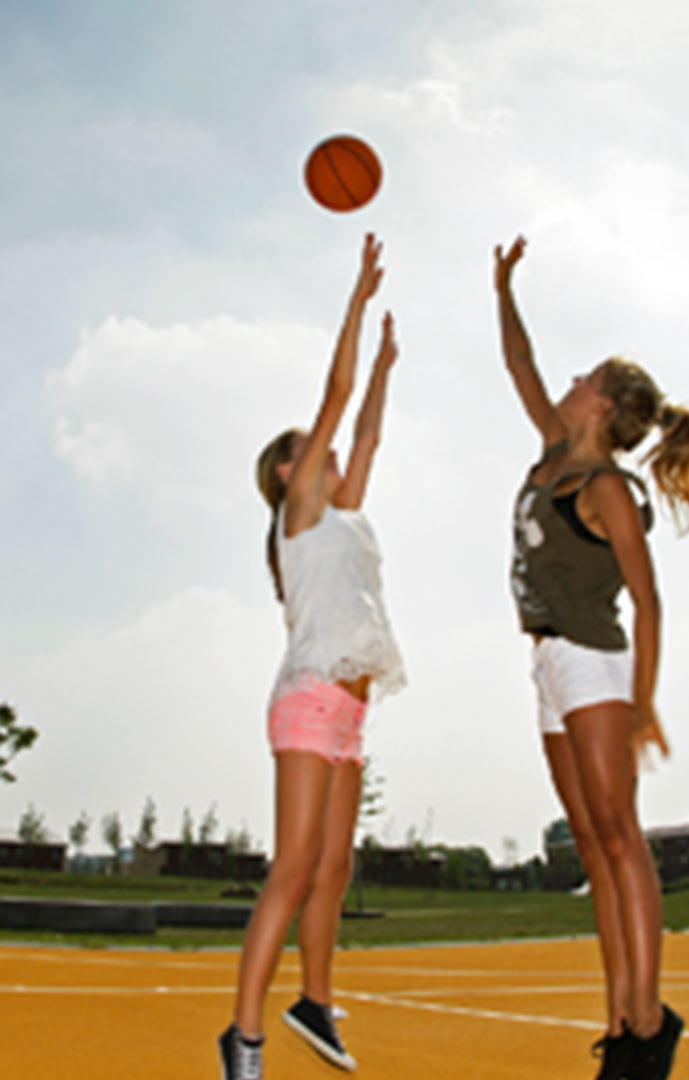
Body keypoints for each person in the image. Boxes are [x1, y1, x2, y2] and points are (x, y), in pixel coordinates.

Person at [493, 235, 689, 1080]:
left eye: (582, 377)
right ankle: (622, 1023)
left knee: (622, 837)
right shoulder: (554, 457)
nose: (567, 382)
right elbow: (520, 363)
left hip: (595, 666)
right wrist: (503, 286)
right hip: (550, 670)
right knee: (591, 847)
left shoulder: (604, 493)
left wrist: (645, 699)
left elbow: (650, 598)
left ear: (600, 406)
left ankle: (646, 1021)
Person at [221, 233, 406, 1080]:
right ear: (290, 470)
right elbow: (333, 399)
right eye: (315, 446)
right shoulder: (297, 510)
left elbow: (362, 429)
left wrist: (386, 371)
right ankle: (244, 1035)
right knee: (293, 869)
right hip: (308, 702)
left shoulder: (346, 514)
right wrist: (357, 305)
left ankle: (314, 1002)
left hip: (351, 713)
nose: (332, 452)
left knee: (335, 867)